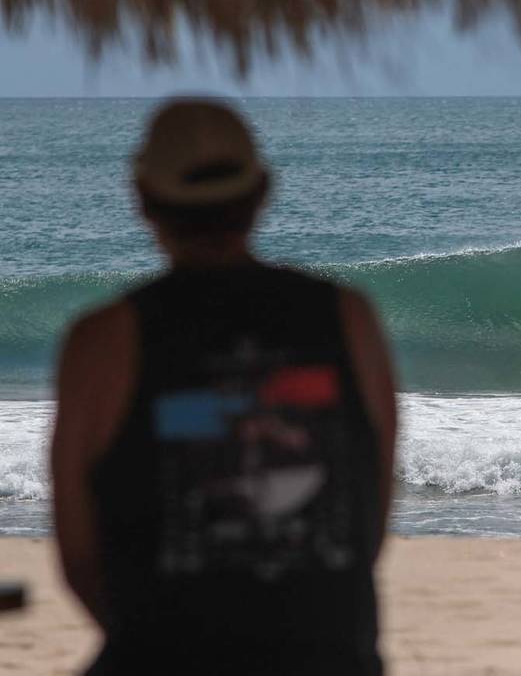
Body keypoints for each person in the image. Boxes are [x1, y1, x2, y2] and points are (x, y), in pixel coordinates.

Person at [50, 100, 397, 676]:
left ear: (141, 199)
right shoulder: (348, 318)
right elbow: (368, 515)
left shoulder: (104, 340)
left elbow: (78, 553)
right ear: (263, 191)